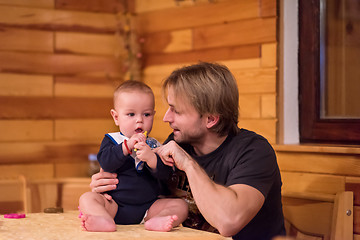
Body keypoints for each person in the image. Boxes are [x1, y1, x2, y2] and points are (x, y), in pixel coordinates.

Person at [89, 62, 286, 239]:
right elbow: (147, 192)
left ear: (210, 119)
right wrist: (110, 183)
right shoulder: (177, 142)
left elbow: (229, 222)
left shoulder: (253, 152)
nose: (166, 118)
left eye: (176, 110)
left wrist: (188, 164)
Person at [78, 80, 188, 232]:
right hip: (115, 205)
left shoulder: (155, 145)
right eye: (131, 114)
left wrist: (152, 159)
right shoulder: (112, 140)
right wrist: (126, 146)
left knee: (180, 206)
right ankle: (103, 220)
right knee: (87, 198)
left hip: (149, 207)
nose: (139, 120)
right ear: (116, 117)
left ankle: (156, 222)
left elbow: (166, 175)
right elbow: (106, 162)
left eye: (147, 114)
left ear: (153, 115)